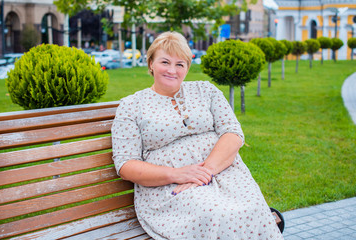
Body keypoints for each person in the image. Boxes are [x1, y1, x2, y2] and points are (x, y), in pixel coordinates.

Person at [111, 31, 283, 240]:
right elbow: (126, 164)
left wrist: (205, 172)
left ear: (187, 68)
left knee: (253, 206)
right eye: (165, 62)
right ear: (151, 64)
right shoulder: (132, 105)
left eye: (180, 64)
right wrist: (177, 174)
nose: (172, 70)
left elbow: (233, 132)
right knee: (215, 214)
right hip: (169, 187)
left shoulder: (205, 90)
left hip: (223, 173)